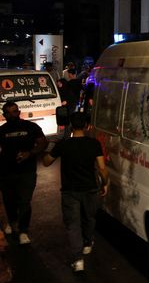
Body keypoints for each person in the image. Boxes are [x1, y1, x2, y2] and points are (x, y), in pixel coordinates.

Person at [41, 111, 109, 272]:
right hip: (90, 189)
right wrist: (104, 184)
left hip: (70, 190)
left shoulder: (63, 145)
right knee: (89, 217)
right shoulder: (94, 144)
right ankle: (87, 242)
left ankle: (78, 260)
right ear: (86, 125)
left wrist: (51, 147)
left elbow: (46, 162)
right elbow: (102, 169)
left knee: (72, 224)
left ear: (71, 125)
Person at [0, 101, 48, 244]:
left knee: (24, 201)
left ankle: (23, 230)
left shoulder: (31, 127)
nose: (12, 114)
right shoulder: (1, 131)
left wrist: (30, 153)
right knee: (9, 201)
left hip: (27, 172)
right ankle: (13, 223)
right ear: (4, 115)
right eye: (8, 112)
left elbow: (43, 142)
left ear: (19, 112)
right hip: (6, 172)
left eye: (14, 111)